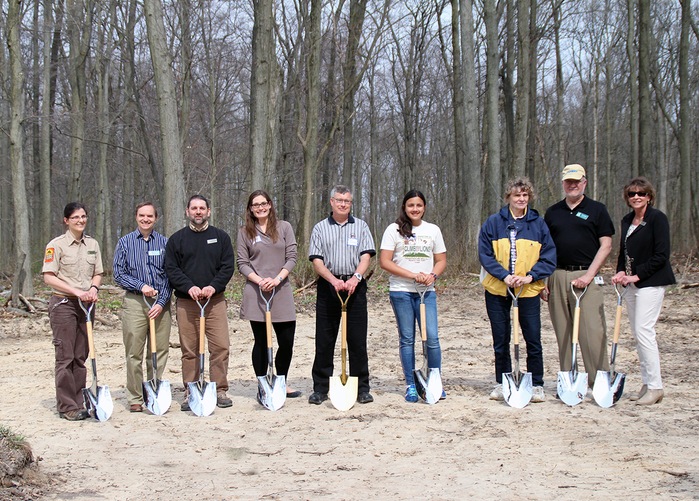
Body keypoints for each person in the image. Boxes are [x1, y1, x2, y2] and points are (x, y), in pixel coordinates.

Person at [479, 178, 556, 403]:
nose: (521, 199)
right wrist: (504, 276)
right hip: (498, 290)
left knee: (532, 338)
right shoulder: (493, 223)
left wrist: (530, 277)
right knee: (501, 338)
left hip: (528, 290)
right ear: (508, 198)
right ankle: (503, 382)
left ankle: (537, 383)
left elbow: (549, 257)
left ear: (529, 197)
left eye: (524, 195)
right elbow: (485, 255)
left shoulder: (538, 224)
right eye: (516, 195)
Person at [543, 164, 615, 387]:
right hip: (557, 275)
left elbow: (606, 245)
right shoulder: (553, 212)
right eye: (568, 181)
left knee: (592, 331)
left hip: (586, 275)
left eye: (576, 181)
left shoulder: (597, 209)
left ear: (584, 182)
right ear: (563, 183)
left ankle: (599, 380)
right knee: (564, 333)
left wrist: (589, 276)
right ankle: (569, 381)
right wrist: (544, 281)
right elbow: (545, 248)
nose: (572, 185)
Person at [165, 195, 235, 410]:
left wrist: (213, 286)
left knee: (221, 346)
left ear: (208, 211)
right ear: (187, 211)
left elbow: (227, 267)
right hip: (188, 303)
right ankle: (190, 389)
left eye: (202, 208)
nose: (198, 212)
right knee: (190, 350)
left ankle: (219, 389)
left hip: (214, 302)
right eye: (194, 208)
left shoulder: (221, 237)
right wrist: (189, 287)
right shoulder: (177, 240)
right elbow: (172, 269)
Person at [308, 185, 376, 405]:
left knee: (357, 340)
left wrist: (356, 277)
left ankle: (362, 387)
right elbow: (317, 260)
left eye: (347, 201)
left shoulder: (361, 226)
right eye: (339, 200)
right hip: (329, 286)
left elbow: (366, 256)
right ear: (331, 202)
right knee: (325, 340)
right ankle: (320, 388)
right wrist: (334, 280)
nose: (343, 204)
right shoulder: (320, 228)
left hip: (355, 286)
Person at [379, 189, 447, 403]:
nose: (415, 209)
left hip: (426, 293)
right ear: (404, 207)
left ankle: (434, 380)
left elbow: (441, 260)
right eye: (411, 205)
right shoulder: (394, 230)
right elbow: (385, 262)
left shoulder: (433, 230)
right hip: (401, 292)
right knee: (407, 339)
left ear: (424, 207)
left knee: (432, 338)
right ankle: (410, 384)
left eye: (418, 205)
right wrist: (412, 275)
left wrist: (432, 275)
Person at [612, 177, 674, 405]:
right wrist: (620, 272)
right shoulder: (627, 220)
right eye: (632, 194)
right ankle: (647, 383)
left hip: (651, 282)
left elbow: (661, 255)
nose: (636, 197)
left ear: (649, 196)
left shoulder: (657, 219)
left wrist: (637, 275)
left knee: (645, 331)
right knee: (639, 335)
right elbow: (623, 252)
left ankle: (656, 387)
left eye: (641, 193)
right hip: (631, 284)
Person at [42, 202, 104, 421]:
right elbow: (49, 276)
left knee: (81, 355)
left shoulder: (93, 244)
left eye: (84, 216)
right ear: (66, 220)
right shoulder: (56, 245)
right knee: (65, 356)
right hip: (64, 305)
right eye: (76, 217)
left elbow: (98, 273)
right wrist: (76, 291)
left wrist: (93, 288)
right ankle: (67, 406)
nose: (81, 220)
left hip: (86, 306)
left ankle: (80, 401)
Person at [236, 190, 301, 399]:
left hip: (280, 290)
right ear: (250, 209)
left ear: (270, 205)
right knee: (262, 342)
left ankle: (280, 381)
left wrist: (277, 279)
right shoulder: (245, 232)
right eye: (255, 205)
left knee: (287, 341)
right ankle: (263, 383)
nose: (260, 207)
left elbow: (291, 256)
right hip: (257, 292)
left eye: (263, 203)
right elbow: (242, 263)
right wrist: (259, 280)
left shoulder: (284, 227)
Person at [113, 202, 172, 413]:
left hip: (160, 304)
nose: (145, 219)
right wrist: (141, 286)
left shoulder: (165, 243)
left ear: (156, 218)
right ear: (136, 217)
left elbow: (170, 275)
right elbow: (118, 274)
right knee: (134, 352)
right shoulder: (125, 243)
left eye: (150, 216)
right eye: (141, 215)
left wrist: (162, 301)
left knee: (158, 351)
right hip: (135, 303)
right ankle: (135, 397)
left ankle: (153, 390)